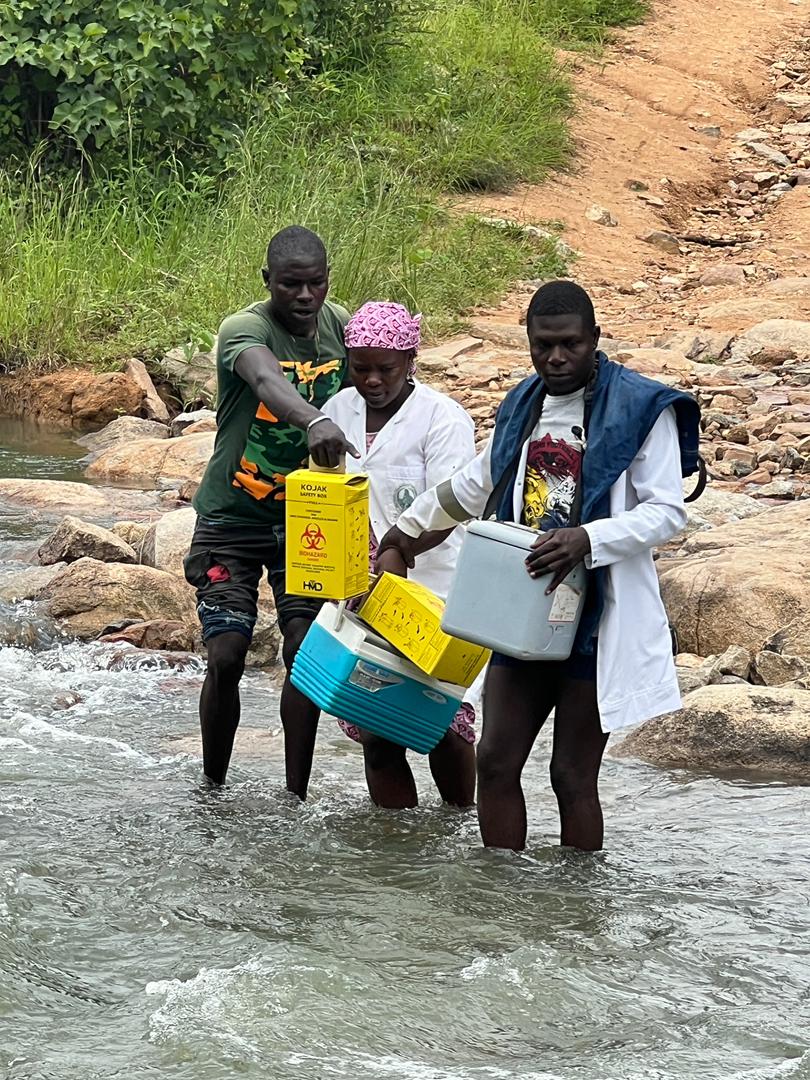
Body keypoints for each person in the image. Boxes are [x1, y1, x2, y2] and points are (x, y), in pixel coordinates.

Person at [377, 280, 701, 852]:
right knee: (497, 764)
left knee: (571, 776)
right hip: (519, 613)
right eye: (542, 345)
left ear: (595, 339)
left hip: (596, 624)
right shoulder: (524, 403)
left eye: (570, 344)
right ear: (527, 342)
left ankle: (577, 917)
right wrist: (404, 535)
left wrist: (588, 538)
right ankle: (504, 905)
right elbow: (479, 482)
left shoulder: (641, 409)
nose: (555, 358)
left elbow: (667, 512)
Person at [185, 225, 358, 797]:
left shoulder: (341, 327)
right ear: (268, 282)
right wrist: (313, 419)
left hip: (310, 520)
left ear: (328, 280)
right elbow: (263, 378)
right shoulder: (245, 329)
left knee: (304, 651)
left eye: (316, 284)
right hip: (231, 518)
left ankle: (295, 795)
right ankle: (213, 786)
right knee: (229, 652)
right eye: (291, 285)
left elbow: (378, 387)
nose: (305, 297)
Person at [321, 301, 480, 810]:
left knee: (445, 722)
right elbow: (324, 494)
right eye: (360, 367)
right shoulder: (336, 412)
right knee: (376, 721)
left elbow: (450, 503)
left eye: (385, 369)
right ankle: (396, 846)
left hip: (432, 587)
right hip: (361, 589)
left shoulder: (441, 418)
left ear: (411, 360)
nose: (371, 380)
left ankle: (457, 822)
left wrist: (397, 553)